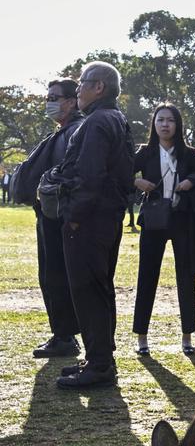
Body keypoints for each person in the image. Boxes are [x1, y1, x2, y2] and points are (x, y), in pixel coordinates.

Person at [46, 61, 134, 389]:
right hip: (107, 218)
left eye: (83, 82)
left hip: (88, 221)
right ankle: (101, 359)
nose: (78, 88)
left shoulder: (97, 121)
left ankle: (99, 366)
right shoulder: (116, 118)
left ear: (99, 87)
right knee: (100, 289)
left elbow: (90, 175)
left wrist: (74, 217)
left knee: (88, 292)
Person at [11, 78, 85, 358]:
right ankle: (63, 334)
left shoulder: (75, 131)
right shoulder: (63, 132)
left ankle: (65, 336)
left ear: (71, 102)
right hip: (50, 213)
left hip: (59, 216)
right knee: (51, 275)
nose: (49, 103)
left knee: (56, 275)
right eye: (48, 97)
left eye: (55, 98)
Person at [132, 104, 195, 356]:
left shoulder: (189, 154)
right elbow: (120, 174)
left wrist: (191, 181)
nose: (165, 125)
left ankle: (187, 337)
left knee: (185, 276)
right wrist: (137, 181)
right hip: (153, 219)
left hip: (182, 219)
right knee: (147, 276)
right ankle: (142, 338)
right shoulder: (144, 152)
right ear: (153, 124)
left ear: (178, 124)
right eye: (160, 120)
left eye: (170, 120)